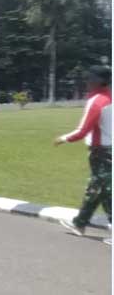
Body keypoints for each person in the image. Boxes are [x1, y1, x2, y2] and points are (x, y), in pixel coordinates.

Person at [55, 65, 112, 244]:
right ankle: (80, 223)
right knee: (96, 189)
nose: (87, 82)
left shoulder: (96, 102)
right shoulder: (109, 98)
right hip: (107, 151)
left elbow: (82, 130)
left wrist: (63, 138)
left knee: (105, 190)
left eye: (90, 78)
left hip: (101, 153)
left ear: (99, 81)